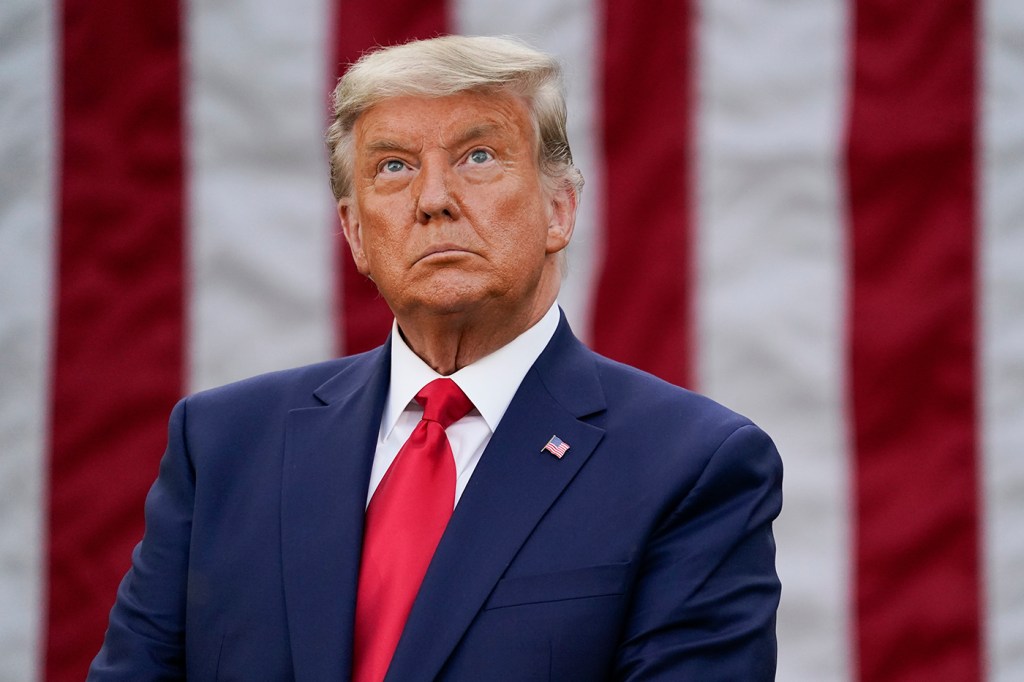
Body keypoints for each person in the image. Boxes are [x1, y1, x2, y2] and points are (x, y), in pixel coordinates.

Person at [89, 35, 782, 681]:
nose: (434, 200)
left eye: (478, 157)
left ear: (559, 210)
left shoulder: (693, 466)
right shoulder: (222, 445)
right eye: (393, 166)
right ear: (356, 233)